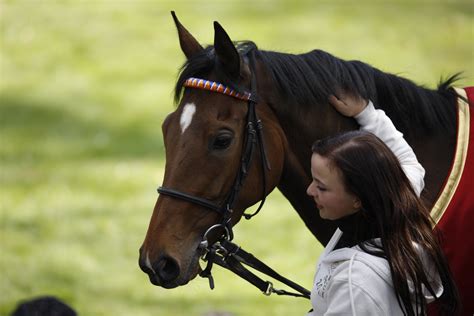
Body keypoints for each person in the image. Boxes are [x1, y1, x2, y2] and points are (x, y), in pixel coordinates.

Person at [306, 92, 459, 315]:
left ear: (358, 199)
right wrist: (366, 114)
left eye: (322, 187)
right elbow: (409, 164)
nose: (309, 191)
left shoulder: (356, 284)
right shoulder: (393, 201)